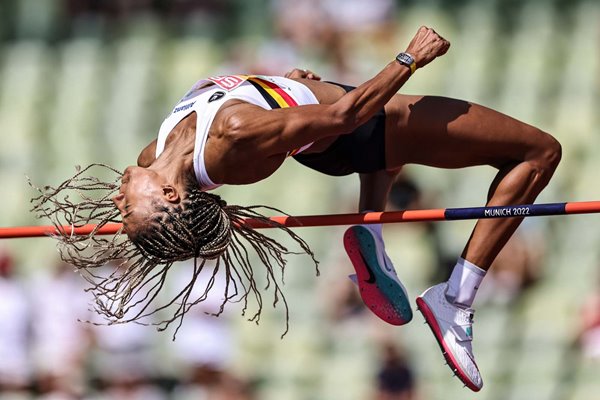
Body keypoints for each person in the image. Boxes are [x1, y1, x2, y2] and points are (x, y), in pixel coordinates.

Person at [32, 26, 561, 391]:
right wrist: (409, 58)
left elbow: (256, 101)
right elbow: (349, 117)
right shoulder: (229, 140)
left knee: (388, 152)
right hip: (359, 125)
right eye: (129, 211)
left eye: (120, 209)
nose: (116, 201)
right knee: (539, 152)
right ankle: (457, 301)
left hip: (334, 130)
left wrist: (290, 87)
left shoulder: (155, 151)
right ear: (170, 197)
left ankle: (370, 236)